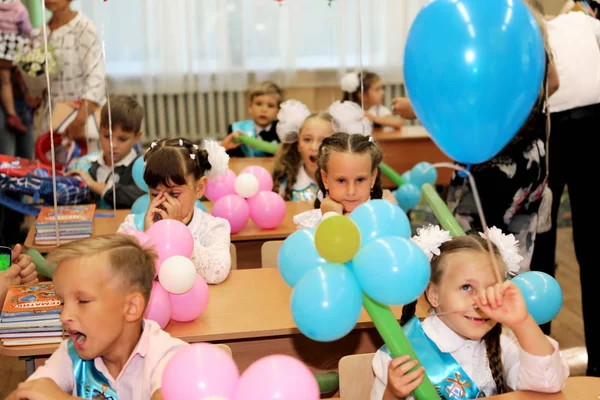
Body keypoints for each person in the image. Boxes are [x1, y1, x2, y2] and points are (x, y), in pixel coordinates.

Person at [371, 225, 570, 399]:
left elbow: (547, 384)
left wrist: (522, 322)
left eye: (491, 288)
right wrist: (393, 394)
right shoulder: (401, 353)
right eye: (467, 287)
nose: (480, 302)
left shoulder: (502, 340)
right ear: (434, 294)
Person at [444, 0, 560, 272]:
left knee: (473, 246)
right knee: (515, 247)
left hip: (492, 159)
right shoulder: (535, 39)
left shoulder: (492, 43)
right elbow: (553, 82)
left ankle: (480, 305)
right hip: (530, 158)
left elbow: (477, 102)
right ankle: (511, 303)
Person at [5, 234, 187, 400]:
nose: (64, 316)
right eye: (62, 302)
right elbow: (26, 393)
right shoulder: (72, 354)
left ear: (131, 307)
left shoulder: (170, 359)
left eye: (83, 301)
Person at [529, 5, 600, 377]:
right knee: (539, 243)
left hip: (586, 121)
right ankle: (536, 351)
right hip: (546, 126)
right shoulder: (527, 21)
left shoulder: (584, 21)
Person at [117, 138, 232, 284]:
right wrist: (148, 238)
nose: (164, 201)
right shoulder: (133, 225)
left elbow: (217, 272)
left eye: (174, 194)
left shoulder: (213, 227)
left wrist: (176, 233)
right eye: (155, 193)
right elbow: (118, 272)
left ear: (199, 188)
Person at [29, 0, 105, 152]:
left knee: (82, 170)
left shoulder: (83, 28)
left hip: (81, 119)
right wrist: (33, 93)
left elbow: (96, 78)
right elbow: (40, 81)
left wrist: (79, 120)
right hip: (51, 122)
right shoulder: (38, 34)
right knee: (52, 173)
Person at [67, 95, 145, 209]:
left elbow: (140, 196)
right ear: (99, 132)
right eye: (107, 136)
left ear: (137, 137)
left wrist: (93, 185)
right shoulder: (83, 165)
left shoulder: (143, 168)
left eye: (122, 139)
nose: (113, 145)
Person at [272, 99, 334, 201]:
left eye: (323, 141)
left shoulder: (347, 183)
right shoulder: (283, 184)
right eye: (307, 139)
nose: (314, 147)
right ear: (298, 145)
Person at [220, 81, 282, 157]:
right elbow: (229, 158)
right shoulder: (236, 129)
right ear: (250, 108)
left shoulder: (283, 132)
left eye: (270, 106)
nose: (264, 110)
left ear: (278, 112)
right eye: (259, 104)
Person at [0, 0, 31, 133]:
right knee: (25, 75)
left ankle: (11, 113)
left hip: (1, 45)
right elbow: (26, 28)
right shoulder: (19, 7)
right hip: (16, 44)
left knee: (5, 82)